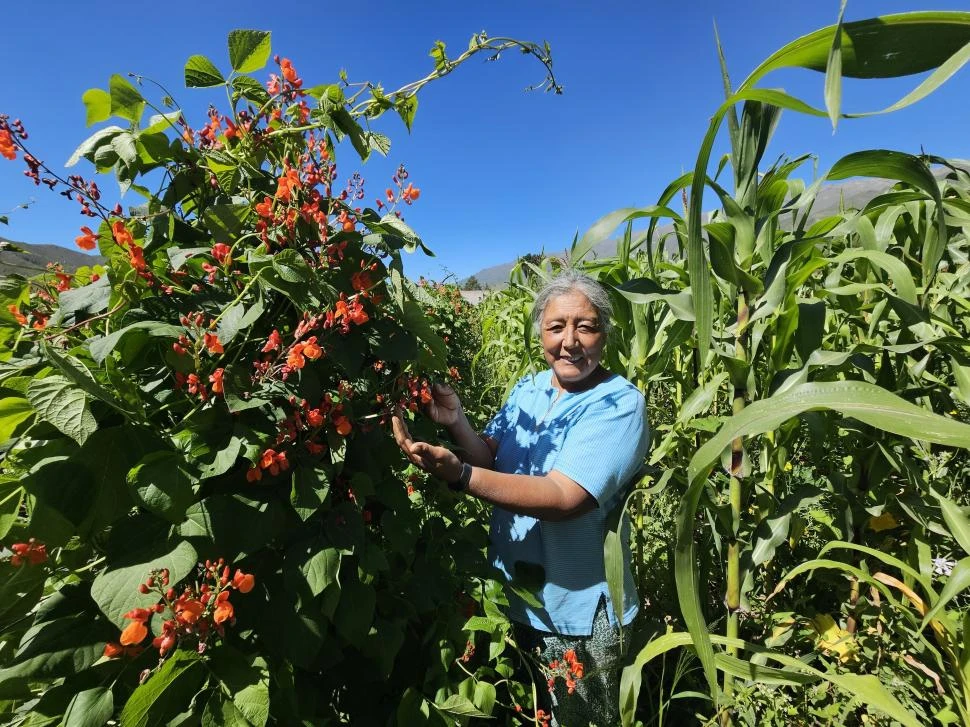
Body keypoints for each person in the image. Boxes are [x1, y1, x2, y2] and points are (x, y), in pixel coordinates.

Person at [392, 269, 649, 726]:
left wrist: (460, 475)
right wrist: (456, 423)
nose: (570, 341)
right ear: (541, 335)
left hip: (578, 615)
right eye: (556, 327)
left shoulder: (619, 404)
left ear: (605, 335)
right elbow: (492, 457)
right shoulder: (529, 389)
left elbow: (564, 497)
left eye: (585, 326)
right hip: (513, 597)